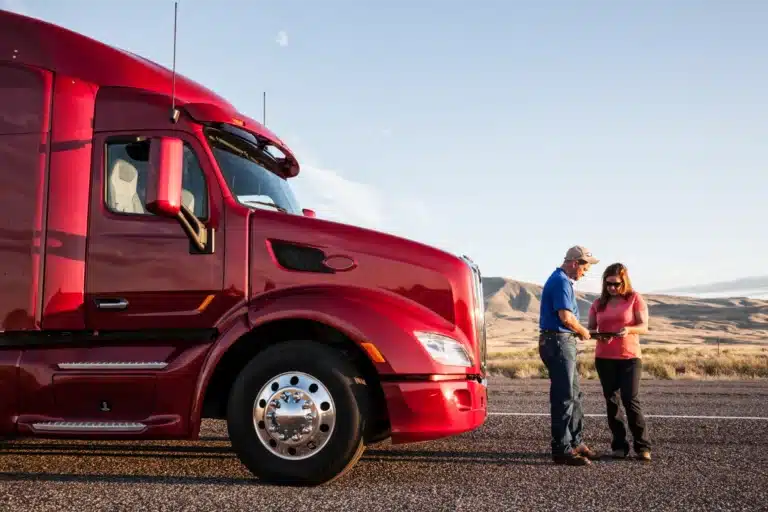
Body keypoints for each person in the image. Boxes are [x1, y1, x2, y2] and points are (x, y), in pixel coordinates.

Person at [538, 245, 600, 466]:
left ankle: (575, 441)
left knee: (574, 394)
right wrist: (583, 331)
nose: (586, 272)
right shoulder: (561, 282)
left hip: (561, 341)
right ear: (575, 263)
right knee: (564, 396)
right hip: (559, 342)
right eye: (585, 267)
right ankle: (562, 449)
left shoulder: (561, 281)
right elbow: (566, 317)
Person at [588, 263, 652, 461]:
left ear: (624, 281)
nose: (612, 288)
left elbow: (644, 326)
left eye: (616, 284)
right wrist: (598, 336)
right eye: (608, 284)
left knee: (630, 400)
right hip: (604, 358)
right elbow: (590, 330)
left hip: (630, 357)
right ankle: (619, 446)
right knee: (612, 402)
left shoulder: (634, 298)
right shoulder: (598, 303)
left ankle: (642, 447)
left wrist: (629, 329)